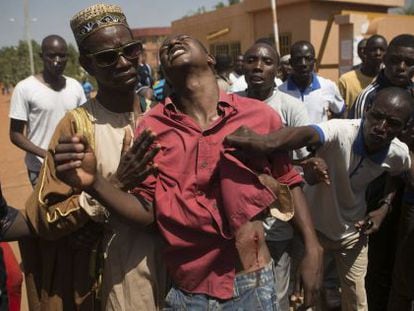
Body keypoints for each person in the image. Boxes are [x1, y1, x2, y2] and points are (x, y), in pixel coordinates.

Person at [54, 33, 323, 310]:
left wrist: (312, 248)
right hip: (186, 292)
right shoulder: (151, 126)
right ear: (165, 72)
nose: (172, 44)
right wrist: (95, 183)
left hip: (252, 281)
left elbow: (288, 180)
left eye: (183, 39)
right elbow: (148, 210)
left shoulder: (259, 116)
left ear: (209, 58)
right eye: (166, 48)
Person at [18, 4, 166, 310]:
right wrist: (115, 184)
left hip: (173, 271)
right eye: (108, 57)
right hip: (113, 275)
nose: (124, 62)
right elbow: (46, 217)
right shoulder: (77, 127)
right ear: (88, 65)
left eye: (130, 50)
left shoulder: (164, 116)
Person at [226, 86, 414, 311]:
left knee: (356, 300)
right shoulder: (341, 131)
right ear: (367, 110)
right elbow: (306, 133)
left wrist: (384, 207)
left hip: (352, 234)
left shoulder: (398, 153)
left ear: (405, 128)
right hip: (314, 231)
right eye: (377, 116)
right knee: (308, 297)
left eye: (392, 123)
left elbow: (399, 174)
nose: (381, 128)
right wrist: (268, 142)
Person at [237, 41, 320, 310]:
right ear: (243, 65)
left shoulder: (290, 106)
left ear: (277, 70)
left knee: (277, 291)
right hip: (239, 218)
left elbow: (299, 162)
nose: (258, 67)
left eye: (266, 62)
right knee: (244, 290)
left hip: (278, 218)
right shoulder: (230, 104)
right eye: (251, 60)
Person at [347, 34, 414, 309]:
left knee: (403, 268)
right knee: (375, 267)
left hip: (406, 193)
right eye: (395, 60)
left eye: (409, 63)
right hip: (373, 192)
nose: (401, 67)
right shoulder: (368, 98)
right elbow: (354, 148)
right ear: (383, 61)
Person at [9, 35, 86, 188]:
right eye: (51, 55)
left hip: (73, 166)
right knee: (46, 211)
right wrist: (46, 154)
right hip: (41, 169)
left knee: (75, 209)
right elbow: (15, 134)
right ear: (41, 57)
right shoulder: (25, 88)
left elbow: (84, 123)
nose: (57, 60)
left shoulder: (75, 86)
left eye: (62, 56)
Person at [279, 40, 345, 123]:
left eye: (308, 59)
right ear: (291, 63)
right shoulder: (280, 92)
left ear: (314, 62)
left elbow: (339, 113)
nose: (303, 64)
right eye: (298, 59)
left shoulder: (328, 86)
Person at [338, 35, 387, 113]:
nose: (378, 53)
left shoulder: (390, 80)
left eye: (382, 50)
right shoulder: (346, 80)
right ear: (365, 52)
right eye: (374, 49)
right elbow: (338, 112)